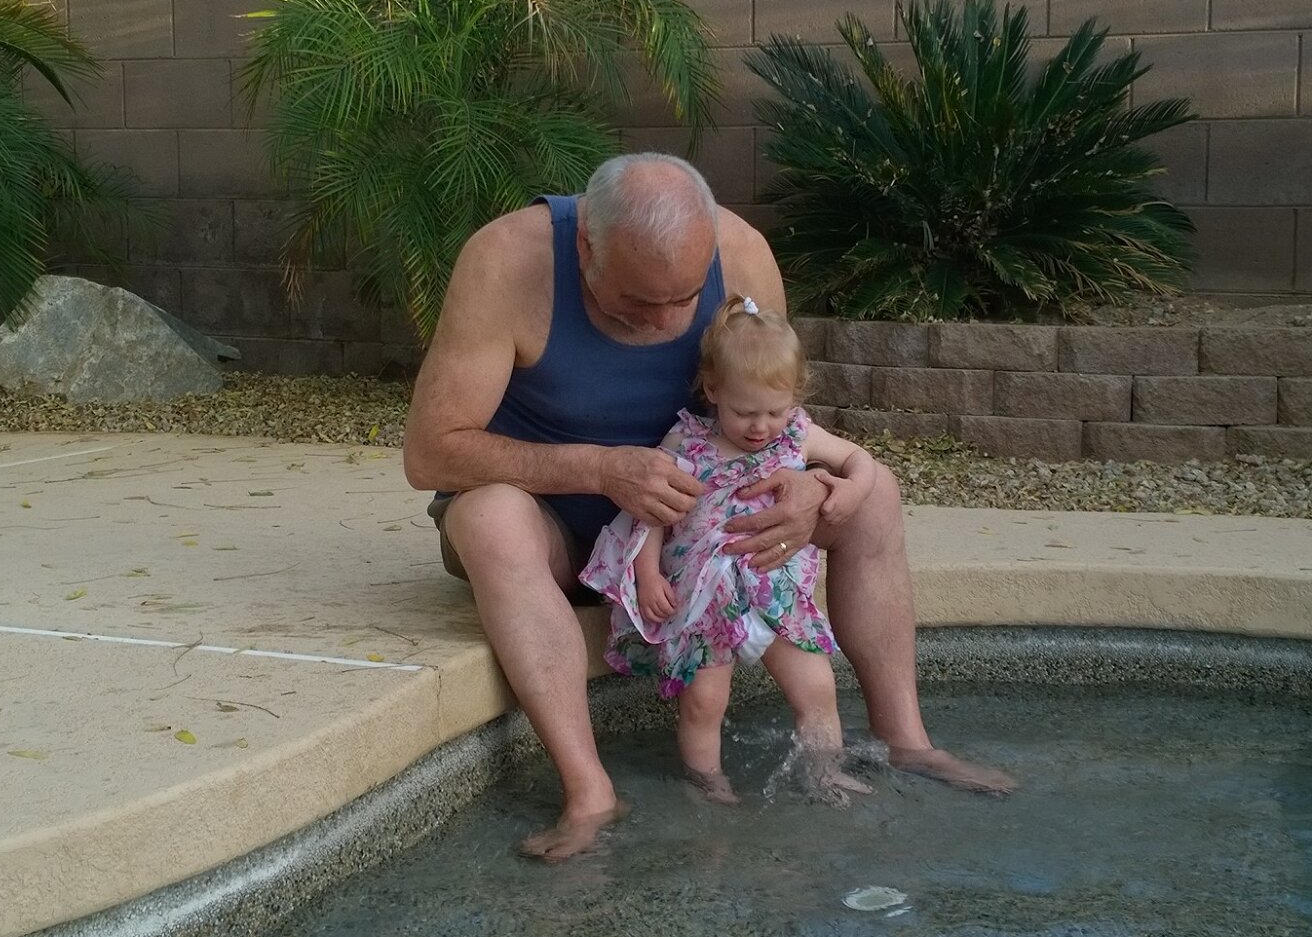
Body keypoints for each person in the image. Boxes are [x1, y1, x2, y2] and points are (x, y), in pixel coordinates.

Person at [402, 152, 1015, 861]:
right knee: (489, 519)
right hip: (555, 525)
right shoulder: (507, 260)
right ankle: (589, 790)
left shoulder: (743, 252)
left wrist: (811, 485)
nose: (667, 322)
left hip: (699, 532)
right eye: (639, 302)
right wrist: (598, 468)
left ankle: (906, 740)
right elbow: (431, 453)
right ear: (586, 248)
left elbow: (775, 406)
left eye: (686, 299)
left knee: (873, 495)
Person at [579, 295, 878, 806]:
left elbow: (859, 459)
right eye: (744, 412)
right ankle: (709, 784)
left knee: (816, 687)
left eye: (774, 411)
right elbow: (652, 513)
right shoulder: (686, 442)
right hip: (704, 600)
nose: (760, 427)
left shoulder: (798, 435)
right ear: (713, 389)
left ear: (794, 398)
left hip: (774, 592)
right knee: (704, 701)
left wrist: (850, 490)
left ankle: (824, 771)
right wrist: (648, 575)